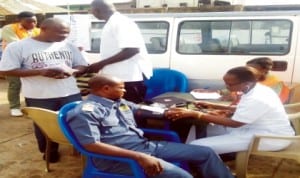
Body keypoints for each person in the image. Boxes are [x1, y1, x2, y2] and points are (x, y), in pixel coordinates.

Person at [66, 74, 234, 178]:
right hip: (120, 159)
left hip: (146, 147)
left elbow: (139, 109)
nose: (124, 91)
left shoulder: (118, 101)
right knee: (182, 176)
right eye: (121, 88)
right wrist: (139, 157)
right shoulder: (86, 112)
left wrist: (166, 112)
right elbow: (91, 145)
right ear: (105, 88)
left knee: (205, 153)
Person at [0, 18, 88, 162]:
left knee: (76, 121)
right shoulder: (18, 47)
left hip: (70, 93)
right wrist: (40, 72)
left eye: (67, 33)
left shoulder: (68, 45)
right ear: (44, 28)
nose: (64, 36)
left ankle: (80, 147)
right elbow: (5, 70)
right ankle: (49, 151)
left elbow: (82, 65)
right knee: (44, 126)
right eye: (61, 33)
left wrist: (71, 71)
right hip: (39, 95)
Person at [166, 66, 295, 154]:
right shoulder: (254, 89)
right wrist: (212, 105)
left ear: (246, 83)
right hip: (252, 128)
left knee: (197, 145)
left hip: (267, 138)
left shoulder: (257, 97)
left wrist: (195, 113)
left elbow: (235, 123)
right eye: (225, 82)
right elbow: (243, 109)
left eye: (230, 84)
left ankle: (213, 167)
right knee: (197, 131)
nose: (226, 86)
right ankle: (193, 161)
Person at [87, 0, 153, 104]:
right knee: (120, 113)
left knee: (131, 113)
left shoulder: (120, 22)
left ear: (96, 11)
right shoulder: (112, 22)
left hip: (128, 79)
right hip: (118, 78)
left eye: (91, 11)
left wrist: (100, 64)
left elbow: (132, 49)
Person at [1, 11, 40, 116]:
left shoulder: (37, 31)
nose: (32, 24)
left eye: (35, 22)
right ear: (19, 20)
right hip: (13, 61)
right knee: (15, 84)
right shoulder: (9, 28)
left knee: (34, 83)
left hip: (31, 61)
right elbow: (16, 43)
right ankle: (15, 107)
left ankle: (33, 106)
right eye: (29, 22)